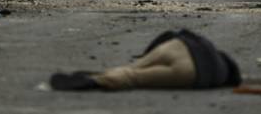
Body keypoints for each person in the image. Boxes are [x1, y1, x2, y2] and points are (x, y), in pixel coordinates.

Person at [50, 29, 241, 90]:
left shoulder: (208, 45)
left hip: (178, 46)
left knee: (134, 67)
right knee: (135, 78)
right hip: (192, 72)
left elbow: (170, 34)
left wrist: (146, 55)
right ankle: (97, 80)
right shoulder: (220, 75)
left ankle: (116, 71)